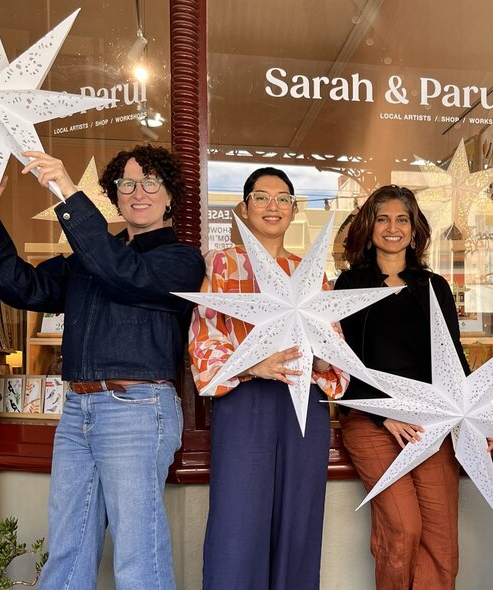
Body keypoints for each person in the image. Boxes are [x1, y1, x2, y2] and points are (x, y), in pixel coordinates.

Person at [0, 146, 204, 590]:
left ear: (170, 196)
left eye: (151, 182)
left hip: (137, 408)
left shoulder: (181, 260)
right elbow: (27, 288)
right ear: (114, 195)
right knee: (68, 547)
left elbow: (125, 275)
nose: (138, 192)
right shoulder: (94, 255)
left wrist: (69, 195)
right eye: (126, 183)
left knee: (138, 551)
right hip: (78, 410)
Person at [188, 167, 347, 590]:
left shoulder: (312, 271)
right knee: (238, 524)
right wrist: (254, 364)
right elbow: (204, 337)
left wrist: (322, 363)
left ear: (294, 210)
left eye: (282, 198)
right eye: (261, 197)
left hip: (304, 405)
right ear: (243, 208)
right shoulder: (223, 263)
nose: (272, 205)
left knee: (300, 521)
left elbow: (336, 348)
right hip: (245, 401)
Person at [334, 185, 490, 590]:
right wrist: (384, 414)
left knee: (440, 539)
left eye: (401, 219)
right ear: (369, 228)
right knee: (402, 529)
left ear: (414, 228)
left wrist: (473, 419)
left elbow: (452, 357)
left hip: (431, 422)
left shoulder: (432, 286)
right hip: (372, 422)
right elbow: (341, 364)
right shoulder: (349, 285)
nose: (392, 227)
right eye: (383, 218)